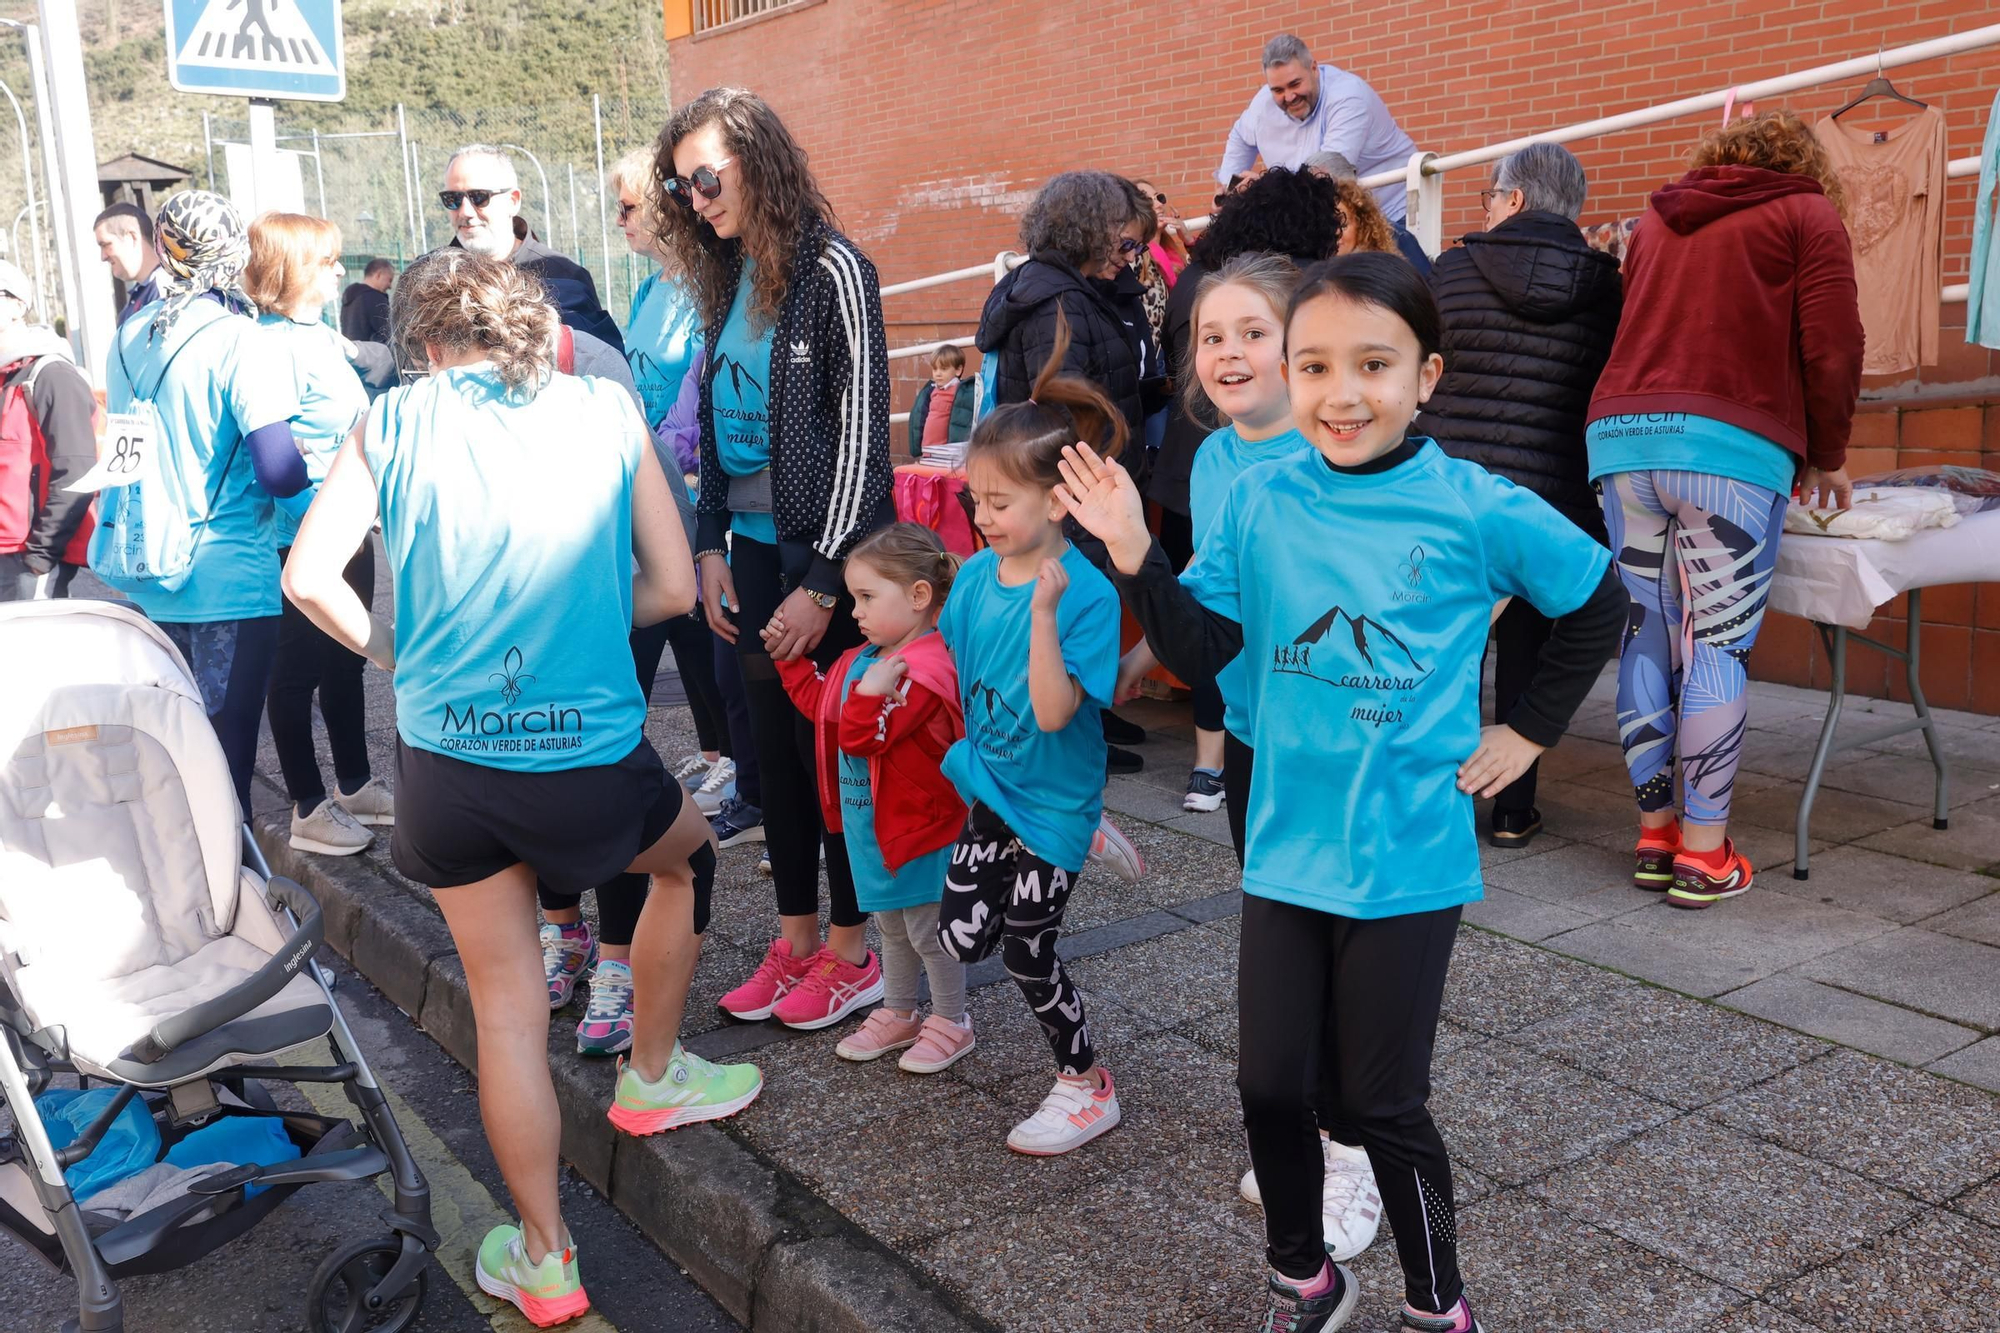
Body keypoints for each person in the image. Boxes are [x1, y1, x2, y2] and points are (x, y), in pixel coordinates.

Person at [1057, 251, 1625, 1333]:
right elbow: (1205, 654)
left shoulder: (1473, 505)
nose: (1341, 392)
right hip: (1285, 844)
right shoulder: (1261, 495)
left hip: (1406, 855)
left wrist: (1526, 730)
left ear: (1426, 376)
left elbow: (1597, 598)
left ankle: (1437, 1301)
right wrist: (1135, 552)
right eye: (1313, 365)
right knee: (1271, 1086)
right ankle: (1305, 1278)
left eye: (1373, 364)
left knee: (1378, 1101)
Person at [281, 248, 760, 1328]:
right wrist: (580, 624)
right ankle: (649, 1074)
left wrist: (399, 659)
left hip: (449, 765)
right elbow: (675, 585)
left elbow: (309, 578)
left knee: (504, 1013)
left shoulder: (391, 419)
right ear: (535, 333)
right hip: (588, 754)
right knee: (684, 858)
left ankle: (544, 1259)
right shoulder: (601, 407)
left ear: (425, 344)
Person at [652, 87, 897, 1029]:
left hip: (819, 555)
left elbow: (865, 441)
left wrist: (826, 583)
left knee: (825, 755)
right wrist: (708, 541)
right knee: (771, 762)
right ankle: (796, 941)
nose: (697, 199)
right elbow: (715, 427)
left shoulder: (835, 271)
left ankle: (851, 949)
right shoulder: (728, 279)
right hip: (747, 555)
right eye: (683, 188)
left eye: (707, 177)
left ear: (760, 158)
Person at [1586, 109, 1862, 909]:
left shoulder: (1657, 219)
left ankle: (1656, 835)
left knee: (1644, 626)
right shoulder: (1807, 212)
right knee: (1717, 645)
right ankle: (1706, 855)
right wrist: (1831, 451)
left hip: (1623, 436)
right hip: (1728, 447)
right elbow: (1835, 345)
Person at [537, 149, 740, 1058]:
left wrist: (695, 532)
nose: (624, 217)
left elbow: (682, 423)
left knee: (616, 750)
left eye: (632, 204)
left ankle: (609, 954)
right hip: (593, 559)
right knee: (573, 762)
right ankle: (573, 935)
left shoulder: (684, 298)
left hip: (666, 523)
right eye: (617, 208)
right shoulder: (648, 294)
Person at [936, 316, 1124, 1156]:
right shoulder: (974, 575)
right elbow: (957, 667)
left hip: (1049, 797)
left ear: (1056, 502)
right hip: (995, 785)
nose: (981, 516)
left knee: (1023, 947)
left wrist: (1044, 614)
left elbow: (1052, 711)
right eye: (976, 498)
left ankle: (1085, 1082)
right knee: (960, 934)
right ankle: (1084, 831)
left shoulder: (1084, 593)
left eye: (998, 502)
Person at [1423, 143, 1623, 850]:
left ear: (1510, 200)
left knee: (1449, 643)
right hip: (1555, 493)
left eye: (1488, 197)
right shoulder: (1609, 288)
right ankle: (1511, 808)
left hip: (1456, 491)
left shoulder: (1451, 270)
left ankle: (1436, 786)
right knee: (1531, 646)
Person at [98, 190, 309, 815]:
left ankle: (174, 887)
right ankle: (223, 897)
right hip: (228, 578)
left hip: (149, 574)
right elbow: (278, 470)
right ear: (233, 251)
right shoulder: (241, 339)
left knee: (170, 757)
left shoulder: (130, 334)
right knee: (225, 762)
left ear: (165, 249)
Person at [1147, 169, 1346, 805]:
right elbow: (1212, 589)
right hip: (1246, 719)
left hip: (1335, 727)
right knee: (1259, 895)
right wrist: (1140, 657)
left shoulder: (1338, 450)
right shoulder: (1210, 460)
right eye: (1213, 338)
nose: (1229, 353)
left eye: (1254, 334)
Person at [767, 522, 974, 1062]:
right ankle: (901, 1011)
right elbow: (827, 710)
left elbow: (862, 737)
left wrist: (872, 693)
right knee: (893, 928)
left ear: (919, 595)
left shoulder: (922, 669)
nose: (853, 610)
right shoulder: (867, 658)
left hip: (921, 830)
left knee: (930, 933)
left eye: (865, 597)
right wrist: (791, 666)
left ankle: (952, 1020)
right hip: (876, 828)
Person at [244, 212, 391, 858]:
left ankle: (354, 783)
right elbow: (275, 455)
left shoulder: (321, 336)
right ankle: (307, 803)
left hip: (349, 527)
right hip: (297, 535)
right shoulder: (269, 345)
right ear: (296, 269)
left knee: (345, 658)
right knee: (296, 669)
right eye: (327, 261)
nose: (340, 271)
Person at [975, 170, 1156, 457]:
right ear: (1090, 231)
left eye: (1138, 247)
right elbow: (1067, 413)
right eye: (1126, 244)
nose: (1133, 256)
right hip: (1085, 485)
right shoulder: (1058, 301)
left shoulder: (1064, 289)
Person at [440, 143, 624, 353]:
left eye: (479, 197)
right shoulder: (431, 282)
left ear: (513, 201)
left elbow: (599, 363)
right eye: (452, 199)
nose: (466, 211)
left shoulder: (565, 276)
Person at [1218, 34, 1417, 223]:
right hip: (1326, 217)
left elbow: (1324, 178)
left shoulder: (1348, 97)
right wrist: (1230, 188)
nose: (1289, 97)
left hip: (1393, 212)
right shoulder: (1263, 103)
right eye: (1278, 90)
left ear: (1314, 69)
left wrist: (1260, 190)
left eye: (1295, 84)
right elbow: (1240, 137)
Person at [0, 260, 94, 601]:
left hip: (30, 562)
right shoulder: (5, 375)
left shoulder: (50, 373)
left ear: (18, 305)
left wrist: (40, 557)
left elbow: (78, 470)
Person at [1305, 151, 1432, 276]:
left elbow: (1425, 289)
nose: (1334, 231)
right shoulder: (1304, 252)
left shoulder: (1397, 238)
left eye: (1342, 223)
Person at [94, 202, 163, 327]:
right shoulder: (139, 297)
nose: (103, 257)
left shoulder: (167, 289)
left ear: (131, 237)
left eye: (106, 245)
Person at [906, 344, 978, 458]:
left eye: (943, 369)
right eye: (935, 369)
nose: (938, 373)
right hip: (928, 450)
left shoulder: (960, 391)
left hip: (946, 453)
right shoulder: (931, 391)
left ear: (958, 370)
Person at [1131, 177, 1190, 287]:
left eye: (1159, 197)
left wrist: (1188, 239)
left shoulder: (1169, 249)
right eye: (1148, 201)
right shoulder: (1135, 257)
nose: (1159, 204)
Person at [340, 257, 395, 344]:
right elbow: (388, 335)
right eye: (389, 280)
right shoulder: (376, 299)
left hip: (352, 352)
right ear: (378, 275)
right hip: (372, 354)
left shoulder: (350, 295)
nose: (390, 286)